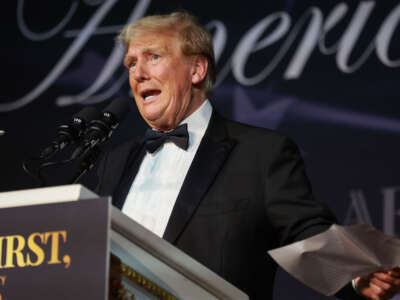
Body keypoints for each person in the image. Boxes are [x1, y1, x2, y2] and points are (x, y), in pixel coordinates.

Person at [94, 11, 400, 300]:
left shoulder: (259, 154)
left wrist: (356, 273)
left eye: (153, 57)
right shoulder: (113, 163)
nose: (138, 73)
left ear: (197, 69)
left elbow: (304, 230)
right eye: (131, 64)